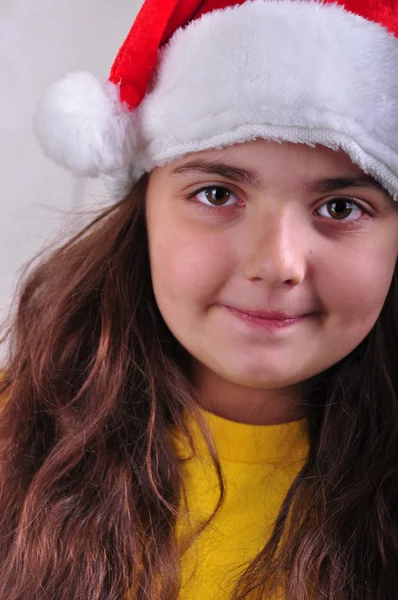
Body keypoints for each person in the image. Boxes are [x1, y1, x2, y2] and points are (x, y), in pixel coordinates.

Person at [0, 0, 397, 598]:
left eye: (340, 207)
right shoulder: (12, 434)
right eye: (217, 193)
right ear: (143, 212)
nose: (276, 264)